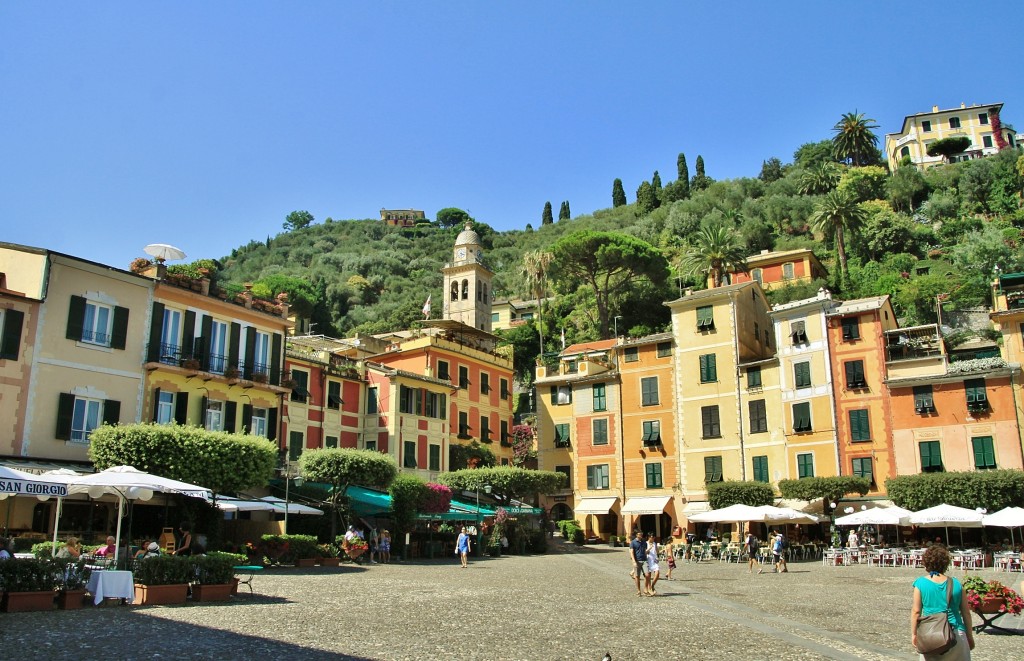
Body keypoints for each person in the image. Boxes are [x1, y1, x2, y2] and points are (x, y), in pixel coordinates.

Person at [911, 545, 975, 660]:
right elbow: (966, 613)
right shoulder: (956, 584)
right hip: (956, 632)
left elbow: (916, 612)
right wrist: (969, 636)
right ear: (946, 563)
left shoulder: (920, 584)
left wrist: (914, 634)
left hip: (930, 634)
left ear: (926, 563)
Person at [630, 531, 649, 597]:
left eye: (642, 534)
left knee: (647, 575)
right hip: (637, 561)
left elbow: (645, 551)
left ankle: (645, 588)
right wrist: (634, 561)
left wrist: (649, 549)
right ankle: (638, 590)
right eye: (640, 534)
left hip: (644, 560)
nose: (641, 535)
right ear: (636, 535)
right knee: (637, 576)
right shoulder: (633, 542)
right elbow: (631, 552)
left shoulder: (644, 542)